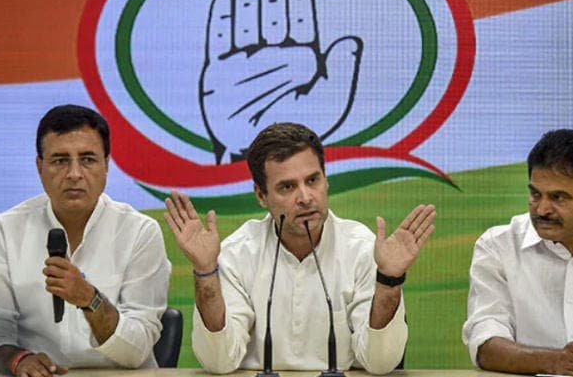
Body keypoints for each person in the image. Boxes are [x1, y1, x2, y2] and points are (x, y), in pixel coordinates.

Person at [164, 122, 436, 374]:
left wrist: (389, 282)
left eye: (312, 180)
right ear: (261, 195)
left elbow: (380, 363)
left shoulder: (362, 249)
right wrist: (205, 272)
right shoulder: (237, 253)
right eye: (287, 187)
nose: (305, 197)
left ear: (326, 180)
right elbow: (218, 361)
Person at [0, 105, 171, 376]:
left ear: (106, 165)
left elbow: (137, 350)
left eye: (87, 159)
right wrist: (18, 360)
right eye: (60, 160)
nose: (74, 173)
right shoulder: (1, 232)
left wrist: (89, 298)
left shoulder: (140, 232)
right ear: (40, 167)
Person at [462, 129, 573, 376]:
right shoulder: (497, 247)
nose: (542, 209)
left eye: (558, 197)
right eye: (536, 194)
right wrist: (552, 362)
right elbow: (485, 346)